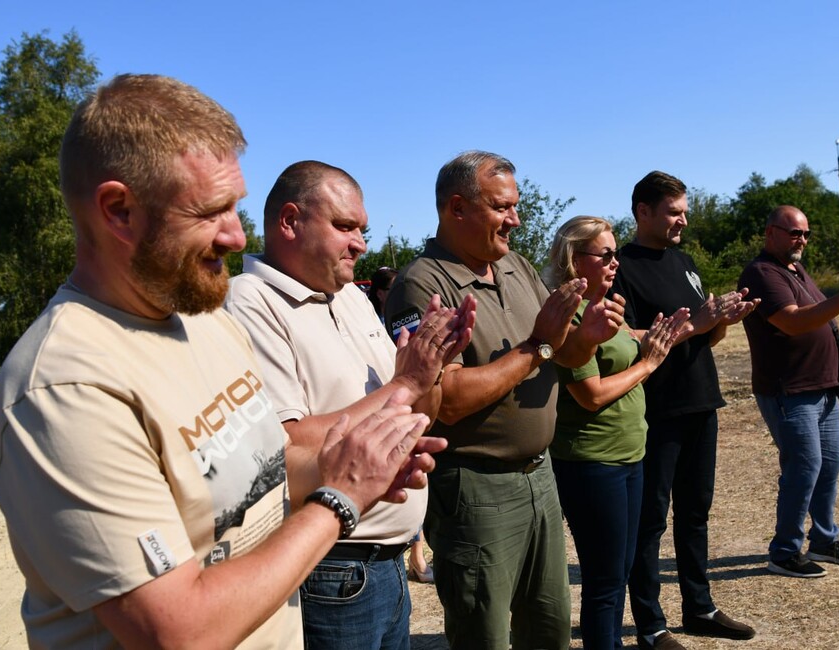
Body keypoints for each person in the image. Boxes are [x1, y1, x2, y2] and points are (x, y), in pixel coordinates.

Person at [0, 74, 443, 650]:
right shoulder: (63, 388)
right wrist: (340, 500)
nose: (235, 234)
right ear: (118, 210)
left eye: (235, 207)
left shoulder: (207, 322)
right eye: (210, 211)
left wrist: (351, 464)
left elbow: (260, 477)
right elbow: (178, 632)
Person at [224, 160, 473, 649]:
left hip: (387, 563)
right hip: (331, 570)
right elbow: (283, 444)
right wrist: (405, 383)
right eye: (344, 227)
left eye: (362, 229)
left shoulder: (350, 296)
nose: (359, 243)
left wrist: (435, 366)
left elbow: (409, 406)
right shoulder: (249, 302)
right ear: (290, 222)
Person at [385, 151, 626, 649]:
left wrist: (587, 339)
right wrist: (536, 347)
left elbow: (557, 349)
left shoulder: (514, 265)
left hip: (539, 475)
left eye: (514, 206)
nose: (516, 218)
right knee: (485, 634)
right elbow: (445, 398)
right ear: (457, 208)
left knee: (550, 627)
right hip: (475, 489)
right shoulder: (423, 284)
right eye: (502, 207)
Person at [611, 171, 758, 650]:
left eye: (684, 211)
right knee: (650, 520)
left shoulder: (686, 261)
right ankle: (651, 626)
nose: (684, 220)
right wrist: (698, 324)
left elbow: (703, 331)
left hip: (701, 402)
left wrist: (721, 321)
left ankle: (701, 607)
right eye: (674, 212)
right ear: (643, 211)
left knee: (696, 512)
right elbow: (629, 339)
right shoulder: (623, 267)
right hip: (658, 411)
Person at [545, 216, 688, 650]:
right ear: (574, 258)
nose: (614, 262)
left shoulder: (607, 301)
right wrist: (649, 364)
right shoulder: (568, 312)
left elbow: (629, 344)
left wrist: (686, 329)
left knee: (619, 573)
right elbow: (589, 394)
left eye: (615, 254)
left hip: (628, 457)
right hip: (592, 462)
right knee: (604, 583)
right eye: (604, 254)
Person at [738, 205, 839, 578]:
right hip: (789, 389)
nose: (801, 239)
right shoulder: (760, 272)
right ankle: (784, 551)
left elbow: (817, 311)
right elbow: (791, 321)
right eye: (793, 232)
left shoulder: (795, 269)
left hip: (822, 387)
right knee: (804, 468)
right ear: (770, 233)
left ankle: (824, 540)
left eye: (806, 233)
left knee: (829, 465)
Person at [368, 266, 437, 584]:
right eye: (393, 287)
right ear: (381, 293)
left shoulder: (396, 324)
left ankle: (417, 556)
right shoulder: (375, 323)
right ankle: (417, 558)